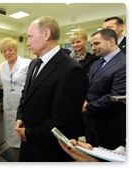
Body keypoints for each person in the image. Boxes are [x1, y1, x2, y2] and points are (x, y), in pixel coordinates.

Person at [14, 16, 89, 162]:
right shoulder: (34, 63)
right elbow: (26, 94)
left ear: (46, 34)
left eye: (30, 37)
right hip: (27, 143)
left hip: (49, 150)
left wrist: (30, 133)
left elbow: (63, 120)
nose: (27, 43)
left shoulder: (71, 69)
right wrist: (20, 116)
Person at [82, 29, 126, 150]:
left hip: (110, 127)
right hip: (90, 125)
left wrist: (87, 107)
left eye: (96, 43)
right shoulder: (95, 64)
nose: (93, 47)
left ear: (111, 41)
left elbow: (116, 96)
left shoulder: (125, 63)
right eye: (91, 45)